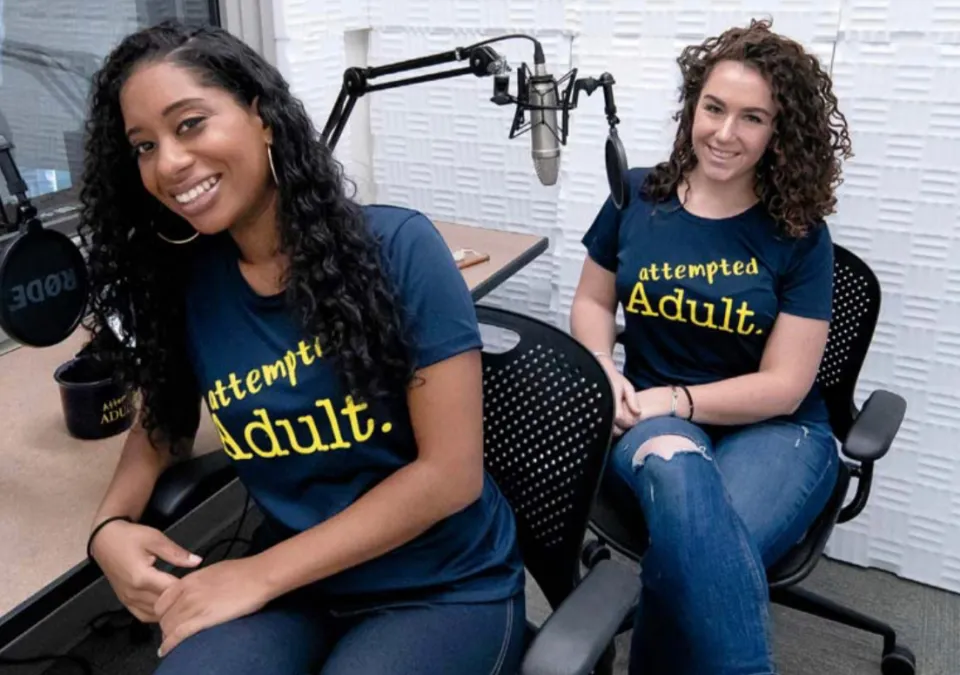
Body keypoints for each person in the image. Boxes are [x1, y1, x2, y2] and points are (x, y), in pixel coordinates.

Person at [80, 21, 526, 675]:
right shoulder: (190, 282)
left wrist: (258, 574)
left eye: (190, 124)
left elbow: (450, 475)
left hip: (440, 584)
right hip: (300, 587)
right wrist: (109, 528)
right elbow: (164, 423)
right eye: (144, 145)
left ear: (262, 117)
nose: (168, 163)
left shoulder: (401, 250)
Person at [570, 19, 853, 675]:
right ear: (692, 108)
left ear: (780, 131)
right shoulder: (637, 196)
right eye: (714, 108)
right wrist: (602, 367)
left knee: (694, 552)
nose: (725, 134)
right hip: (653, 421)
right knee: (688, 503)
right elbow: (592, 303)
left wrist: (679, 397)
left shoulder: (799, 234)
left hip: (777, 429)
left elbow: (785, 384)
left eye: (752, 118)